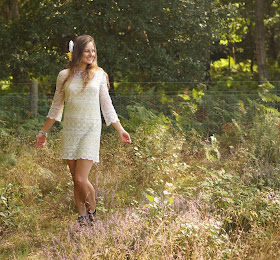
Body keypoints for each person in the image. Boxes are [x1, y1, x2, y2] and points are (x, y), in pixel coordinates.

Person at [35, 35, 131, 225]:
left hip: (91, 130)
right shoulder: (64, 76)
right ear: (77, 52)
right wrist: (43, 132)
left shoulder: (99, 75)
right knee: (75, 179)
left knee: (80, 179)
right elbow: (56, 107)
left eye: (93, 50)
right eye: (87, 50)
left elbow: (107, 105)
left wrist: (120, 129)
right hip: (70, 130)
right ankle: (82, 218)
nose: (91, 54)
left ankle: (93, 213)